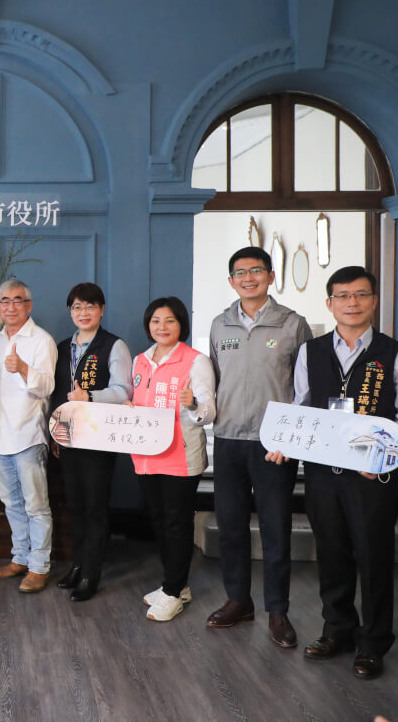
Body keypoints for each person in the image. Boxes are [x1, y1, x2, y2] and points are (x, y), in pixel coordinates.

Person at [267, 266, 398, 680]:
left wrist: (384, 456)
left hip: (372, 477)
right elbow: (301, 405)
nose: (351, 302)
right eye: (342, 295)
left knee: (374, 557)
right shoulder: (311, 351)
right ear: (330, 303)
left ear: (374, 300)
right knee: (331, 553)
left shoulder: (397, 353)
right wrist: (284, 440)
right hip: (323, 473)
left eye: (360, 294)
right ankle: (336, 630)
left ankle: (373, 642)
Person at [205, 246, 311, 647]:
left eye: (255, 271)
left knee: (275, 528)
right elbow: (213, 380)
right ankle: (238, 600)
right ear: (231, 280)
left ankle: (278, 610)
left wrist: (291, 436)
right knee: (231, 526)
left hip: (274, 444)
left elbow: (305, 388)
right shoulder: (220, 325)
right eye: (240, 272)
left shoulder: (293, 324)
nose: (248, 278)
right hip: (229, 439)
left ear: (270, 275)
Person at [129, 297, 215, 622]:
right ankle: (177, 585)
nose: (161, 327)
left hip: (181, 456)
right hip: (146, 455)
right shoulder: (140, 360)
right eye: (155, 321)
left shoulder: (196, 361)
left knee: (177, 524)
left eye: (169, 321)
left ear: (181, 325)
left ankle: (172, 591)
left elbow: (208, 414)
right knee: (160, 521)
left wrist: (193, 404)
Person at [48, 282, 133, 602]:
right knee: (76, 505)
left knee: (95, 506)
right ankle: (78, 564)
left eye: (90, 306)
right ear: (70, 311)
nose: (83, 312)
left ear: (102, 310)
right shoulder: (61, 347)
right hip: (69, 437)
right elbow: (57, 394)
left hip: (99, 438)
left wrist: (91, 396)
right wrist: (55, 433)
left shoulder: (114, 345)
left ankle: (91, 574)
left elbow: (123, 391)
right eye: (77, 307)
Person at [0, 280, 57, 593]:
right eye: (4, 301)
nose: (10, 307)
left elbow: (48, 387)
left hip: (28, 434)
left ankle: (39, 567)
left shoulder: (42, 340)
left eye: (17, 300)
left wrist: (24, 368)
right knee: (11, 503)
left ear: (29, 305)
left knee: (36, 505)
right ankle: (20, 558)